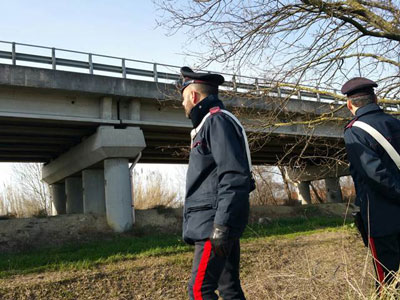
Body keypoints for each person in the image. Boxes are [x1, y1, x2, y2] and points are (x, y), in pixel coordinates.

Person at [177, 66, 254, 300]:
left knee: (199, 290)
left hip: (213, 223)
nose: (182, 105)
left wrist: (221, 225)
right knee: (229, 290)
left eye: (183, 98)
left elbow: (234, 176)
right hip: (214, 221)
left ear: (193, 95)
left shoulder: (216, 121)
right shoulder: (208, 124)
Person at [342, 77, 400, 290]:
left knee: (388, 282)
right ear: (376, 98)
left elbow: (375, 175)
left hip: (381, 219)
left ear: (350, 105)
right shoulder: (395, 123)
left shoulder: (354, 131)